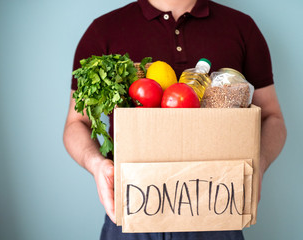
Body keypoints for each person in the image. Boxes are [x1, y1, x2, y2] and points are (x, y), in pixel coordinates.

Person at [63, 0, 287, 239]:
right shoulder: (104, 30)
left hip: (217, 208)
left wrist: (257, 165)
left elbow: (272, 117)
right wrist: (98, 166)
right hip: (132, 209)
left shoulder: (241, 27)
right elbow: (76, 123)